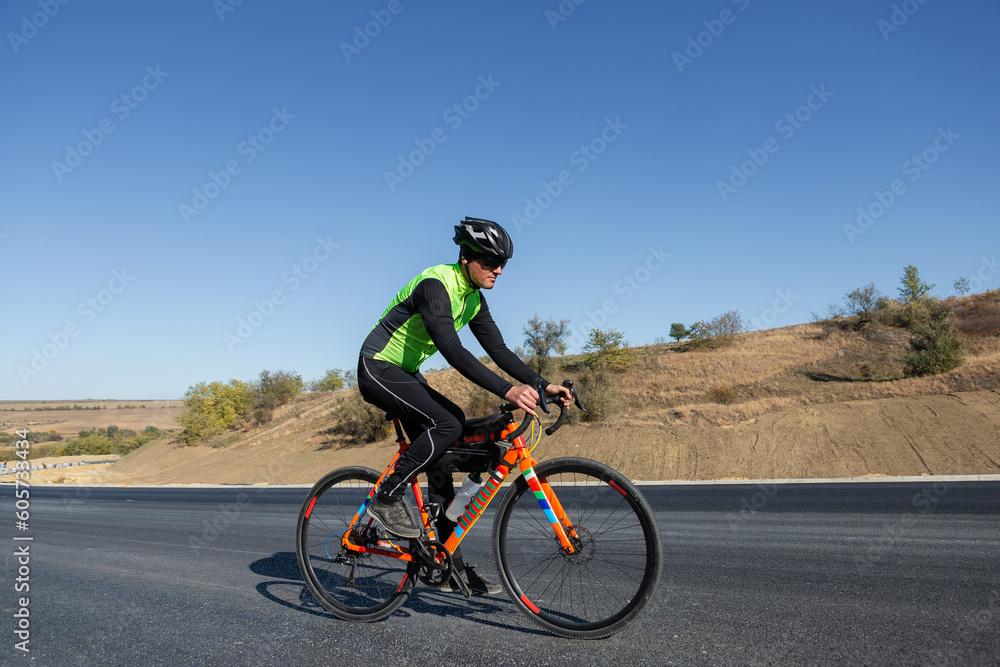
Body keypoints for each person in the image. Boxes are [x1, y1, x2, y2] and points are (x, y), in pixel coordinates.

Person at [357, 216, 572, 595]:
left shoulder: (474, 298)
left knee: (447, 448)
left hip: (405, 371)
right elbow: (452, 350)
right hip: (377, 366)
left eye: (502, 263)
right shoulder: (435, 285)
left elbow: (499, 350)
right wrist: (508, 391)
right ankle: (387, 497)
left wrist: (541, 385)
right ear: (466, 258)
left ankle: (444, 564)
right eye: (490, 262)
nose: (499, 270)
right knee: (448, 422)